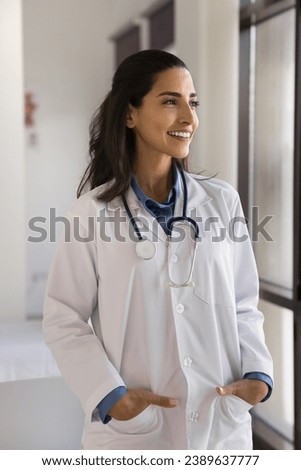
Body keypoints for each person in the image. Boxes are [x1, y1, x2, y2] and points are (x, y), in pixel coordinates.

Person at [43, 49, 273, 450]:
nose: (189, 118)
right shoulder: (91, 213)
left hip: (221, 426)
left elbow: (243, 303)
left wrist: (258, 376)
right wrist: (110, 395)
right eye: (171, 101)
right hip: (136, 435)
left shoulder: (221, 202)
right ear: (130, 114)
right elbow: (64, 317)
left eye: (193, 103)